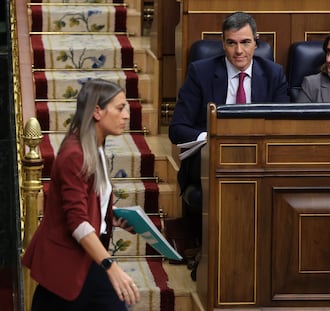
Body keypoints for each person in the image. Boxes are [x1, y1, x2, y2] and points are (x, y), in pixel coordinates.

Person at [168, 11, 289, 279]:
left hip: (260, 163)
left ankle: (252, 263)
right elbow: (177, 128)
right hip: (210, 163)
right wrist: (211, 140)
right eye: (231, 43)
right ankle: (221, 263)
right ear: (222, 44)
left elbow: (284, 125)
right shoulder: (201, 72)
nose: (238, 51)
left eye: (245, 42)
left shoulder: (273, 73)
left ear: (257, 43)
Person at [22, 79, 140, 310]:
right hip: (67, 261)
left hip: (87, 260)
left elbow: (90, 203)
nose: (127, 115)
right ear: (97, 111)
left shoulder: (95, 146)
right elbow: (77, 221)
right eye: (120, 108)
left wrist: (112, 217)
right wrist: (110, 266)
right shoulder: (74, 154)